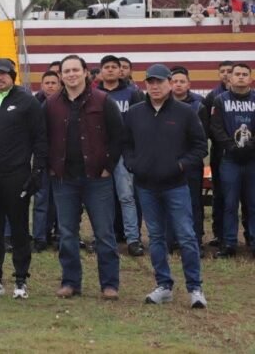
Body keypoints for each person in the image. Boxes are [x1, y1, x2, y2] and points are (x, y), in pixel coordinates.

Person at [123, 64, 208, 309]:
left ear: (170, 83)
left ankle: (195, 288)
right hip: (146, 186)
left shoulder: (185, 113)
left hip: (176, 186)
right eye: (150, 82)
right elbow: (126, 144)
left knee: (186, 236)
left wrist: (181, 165)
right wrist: (132, 164)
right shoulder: (134, 113)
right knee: (156, 237)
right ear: (145, 85)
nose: (155, 86)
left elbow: (200, 147)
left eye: (159, 82)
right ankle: (164, 285)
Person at [45, 55, 123, 300]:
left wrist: (109, 166)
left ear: (86, 72)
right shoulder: (50, 105)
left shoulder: (103, 101)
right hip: (64, 179)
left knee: (104, 234)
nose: (71, 74)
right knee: (67, 233)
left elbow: (118, 136)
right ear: (60, 76)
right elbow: (42, 137)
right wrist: (49, 166)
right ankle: (70, 282)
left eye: (75, 70)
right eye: (66, 71)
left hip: (97, 178)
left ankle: (109, 285)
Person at [0, 58, 47, 299]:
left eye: (3, 74)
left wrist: (36, 172)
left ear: (12, 76)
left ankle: (21, 280)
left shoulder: (27, 101)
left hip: (16, 175)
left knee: (18, 228)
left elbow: (40, 139)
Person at [97, 55, 145, 257]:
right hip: (100, 152)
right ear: (100, 71)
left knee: (127, 197)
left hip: (124, 152)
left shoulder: (132, 94)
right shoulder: (93, 93)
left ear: (120, 71)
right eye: (106, 67)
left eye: (113, 67)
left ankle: (133, 239)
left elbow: (138, 124)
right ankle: (104, 238)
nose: (110, 70)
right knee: (102, 198)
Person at [210, 62, 255, 258]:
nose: (241, 77)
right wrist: (231, 146)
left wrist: (250, 146)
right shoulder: (220, 100)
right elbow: (216, 128)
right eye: (237, 74)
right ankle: (229, 243)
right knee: (229, 202)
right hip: (229, 159)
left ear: (250, 78)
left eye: (245, 74)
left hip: (253, 159)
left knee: (253, 202)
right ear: (231, 77)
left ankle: (253, 240)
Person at [170, 67, 210, 249]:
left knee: (193, 201)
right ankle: (171, 240)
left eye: (182, 81)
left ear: (189, 84)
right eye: (174, 81)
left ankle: (196, 240)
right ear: (169, 84)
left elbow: (203, 137)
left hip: (192, 163)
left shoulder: (199, 105)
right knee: (169, 201)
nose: (178, 85)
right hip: (168, 163)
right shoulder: (162, 103)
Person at [203, 60, 234, 247]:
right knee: (219, 194)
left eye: (229, 71)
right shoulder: (212, 96)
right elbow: (208, 126)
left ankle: (247, 235)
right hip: (219, 153)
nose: (226, 74)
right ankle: (219, 234)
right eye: (222, 71)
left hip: (246, 155)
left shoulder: (250, 96)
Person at [32, 70, 61, 251]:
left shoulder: (66, 103)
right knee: (41, 199)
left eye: (53, 82)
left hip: (61, 159)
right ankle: (39, 237)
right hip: (41, 158)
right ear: (42, 85)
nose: (50, 85)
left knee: (60, 200)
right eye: (47, 82)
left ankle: (60, 234)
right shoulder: (33, 104)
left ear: (59, 85)